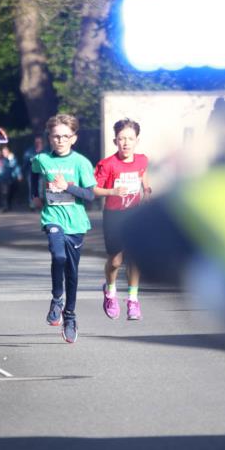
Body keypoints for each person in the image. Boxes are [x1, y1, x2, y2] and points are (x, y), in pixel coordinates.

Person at [30, 113, 97, 344]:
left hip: (76, 224)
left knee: (72, 272)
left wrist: (66, 186)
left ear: (73, 138)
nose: (60, 140)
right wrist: (34, 195)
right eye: (56, 136)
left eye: (65, 136)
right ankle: (57, 298)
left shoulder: (81, 162)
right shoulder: (42, 159)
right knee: (58, 256)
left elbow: (90, 195)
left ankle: (70, 315)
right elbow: (33, 171)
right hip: (53, 219)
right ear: (49, 137)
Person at [94, 119, 151, 321]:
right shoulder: (107, 164)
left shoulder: (142, 160)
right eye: (121, 139)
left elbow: (142, 174)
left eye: (130, 139)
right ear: (115, 141)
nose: (126, 143)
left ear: (137, 141)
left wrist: (146, 190)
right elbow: (94, 189)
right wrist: (113, 191)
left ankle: (133, 300)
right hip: (114, 216)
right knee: (116, 261)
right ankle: (110, 291)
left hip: (135, 215)